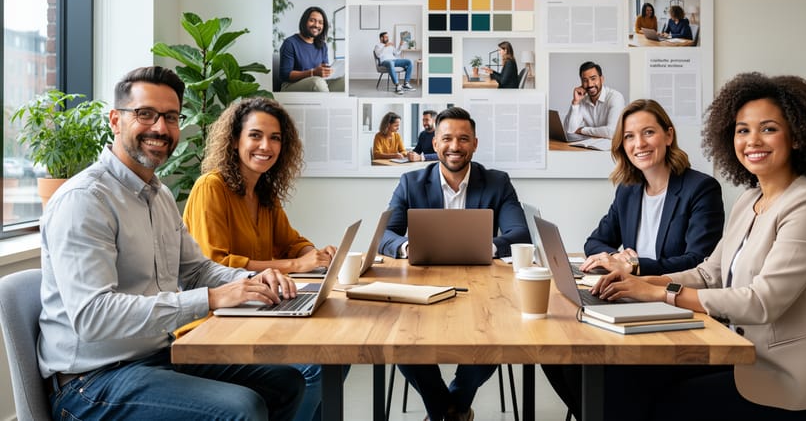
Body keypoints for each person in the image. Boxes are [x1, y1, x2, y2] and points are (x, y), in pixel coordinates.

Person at [581, 73, 806, 420]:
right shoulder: (751, 199)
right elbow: (709, 272)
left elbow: (761, 302)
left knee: (661, 403)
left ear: (798, 136)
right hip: (748, 355)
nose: (752, 140)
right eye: (742, 130)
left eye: (769, 128)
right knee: (623, 378)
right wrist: (640, 285)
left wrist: (657, 293)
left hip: (796, 383)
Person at [38, 66, 304, 420]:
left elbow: (196, 269)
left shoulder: (158, 194)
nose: (160, 128)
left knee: (286, 382)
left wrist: (250, 282)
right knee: (242, 409)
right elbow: (93, 316)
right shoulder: (85, 200)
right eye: (145, 114)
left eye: (171, 117)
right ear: (116, 120)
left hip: (157, 358)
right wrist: (211, 299)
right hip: (93, 382)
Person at [183, 97, 341, 421]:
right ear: (235, 139)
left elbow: (291, 241)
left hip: (256, 313)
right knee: (314, 367)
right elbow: (214, 262)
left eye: (275, 138)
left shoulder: (265, 193)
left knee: (333, 358)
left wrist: (313, 253)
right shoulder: (210, 188)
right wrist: (296, 266)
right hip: (213, 324)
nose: (265, 146)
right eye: (255, 135)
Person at [377, 107, 530, 421]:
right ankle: (452, 411)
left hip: (483, 289)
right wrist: (407, 246)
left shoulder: (497, 182)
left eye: (463, 139)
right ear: (435, 144)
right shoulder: (411, 182)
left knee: (496, 338)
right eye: (447, 138)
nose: (455, 146)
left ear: (475, 144)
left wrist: (485, 246)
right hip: (421, 286)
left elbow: (520, 233)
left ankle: (449, 406)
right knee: (401, 341)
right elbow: (385, 235)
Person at [578, 99, 724, 277]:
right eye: (629, 136)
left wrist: (634, 266)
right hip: (631, 291)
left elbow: (698, 261)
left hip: (673, 296)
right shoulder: (627, 190)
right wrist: (616, 257)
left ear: (668, 136)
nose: (639, 144)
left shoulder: (701, 189)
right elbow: (594, 242)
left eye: (648, 132)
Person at [564, 61, 626, 139]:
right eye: (585, 80)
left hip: (611, 148)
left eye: (593, 79)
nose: (590, 84)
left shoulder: (615, 97)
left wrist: (582, 130)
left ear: (602, 79)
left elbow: (612, 132)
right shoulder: (582, 100)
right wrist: (575, 102)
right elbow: (569, 131)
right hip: (590, 146)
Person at [279, 6, 332, 92]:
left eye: (320, 22)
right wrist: (313, 72)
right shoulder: (290, 43)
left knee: (342, 81)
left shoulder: (323, 46)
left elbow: (323, 69)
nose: (316, 25)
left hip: (318, 83)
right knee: (317, 83)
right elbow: (285, 75)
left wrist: (326, 71)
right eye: (312, 20)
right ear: (304, 22)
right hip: (291, 85)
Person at [374, 31, 415, 95]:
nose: (387, 38)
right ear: (381, 38)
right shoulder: (377, 46)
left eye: (388, 37)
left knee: (409, 62)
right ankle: (397, 85)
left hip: (394, 60)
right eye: (386, 37)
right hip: (385, 62)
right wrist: (385, 46)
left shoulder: (390, 45)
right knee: (390, 63)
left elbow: (397, 53)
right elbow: (378, 55)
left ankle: (406, 83)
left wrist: (400, 45)